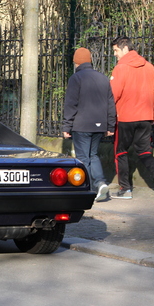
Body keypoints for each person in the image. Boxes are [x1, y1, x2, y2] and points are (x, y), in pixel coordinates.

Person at [110, 36, 154, 200]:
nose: (115, 54)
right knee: (144, 151)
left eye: (116, 50)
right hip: (145, 116)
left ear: (124, 48)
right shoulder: (149, 67)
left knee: (120, 152)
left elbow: (113, 95)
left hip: (125, 117)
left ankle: (125, 189)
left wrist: (109, 117)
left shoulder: (120, 68)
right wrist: (153, 116)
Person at [62, 47, 116, 202]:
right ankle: (100, 183)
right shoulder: (103, 78)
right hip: (100, 124)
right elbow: (110, 104)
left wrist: (67, 127)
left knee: (83, 157)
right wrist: (110, 126)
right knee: (93, 155)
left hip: (82, 124)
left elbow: (71, 104)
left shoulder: (76, 78)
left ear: (76, 62)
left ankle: (86, 189)